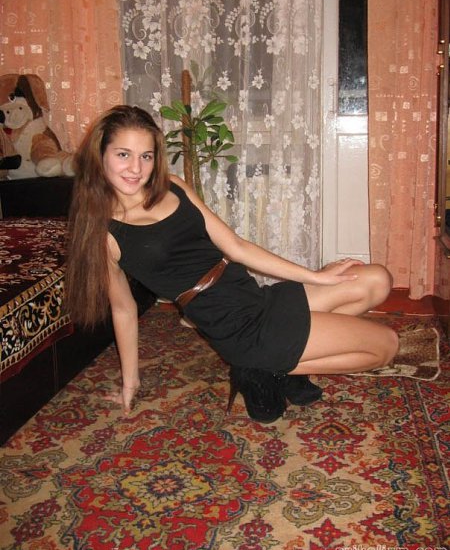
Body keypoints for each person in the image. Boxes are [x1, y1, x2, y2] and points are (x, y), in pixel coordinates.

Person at [65, 105, 399, 423]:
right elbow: (123, 309)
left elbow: (236, 247)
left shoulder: (173, 187)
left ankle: (269, 363)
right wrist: (131, 383)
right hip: (238, 328)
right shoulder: (105, 235)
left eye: (146, 156)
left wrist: (317, 276)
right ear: (101, 155)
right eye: (123, 154)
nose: (136, 169)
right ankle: (262, 365)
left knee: (376, 279)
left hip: (254, 297)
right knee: (386, 347)